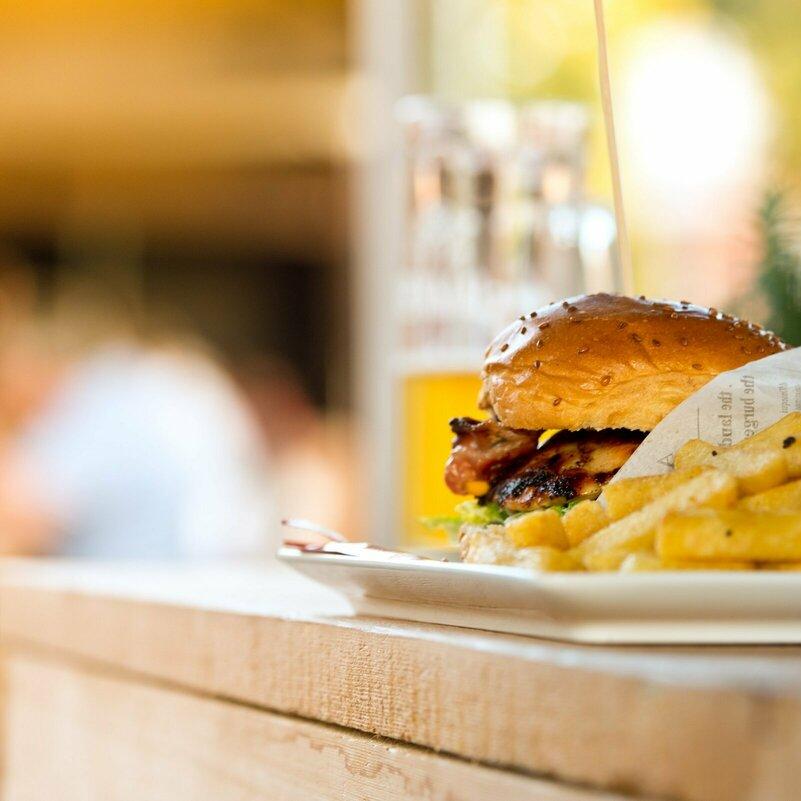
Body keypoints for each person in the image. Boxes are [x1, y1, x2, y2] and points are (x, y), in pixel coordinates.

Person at [0, 279, 274, 559]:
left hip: (163, 573)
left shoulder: (102, 396)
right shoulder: (175, 378)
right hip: (227, 565)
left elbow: (24, 515)